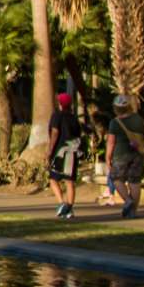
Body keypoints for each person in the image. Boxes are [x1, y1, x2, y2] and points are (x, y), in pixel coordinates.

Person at [104, 93, 144, 218]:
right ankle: (133, 212)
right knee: (135, 182)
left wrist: (108, 157)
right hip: (137, 154)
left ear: (115, 108)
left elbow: (111, 141)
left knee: (116, 179)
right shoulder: (138, 119)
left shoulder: (114, 123)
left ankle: (128, 201)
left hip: (120, 154)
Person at [45, 91, 85, 220]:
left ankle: (63, 204)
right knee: (69, 181)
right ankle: (69, 209)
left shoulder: (57, 116)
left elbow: (55, 133)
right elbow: (78, 135)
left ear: (60, 104)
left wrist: (49, 150)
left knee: (53, 179)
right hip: (72, 151)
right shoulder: (74, 118)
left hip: (60, 152)